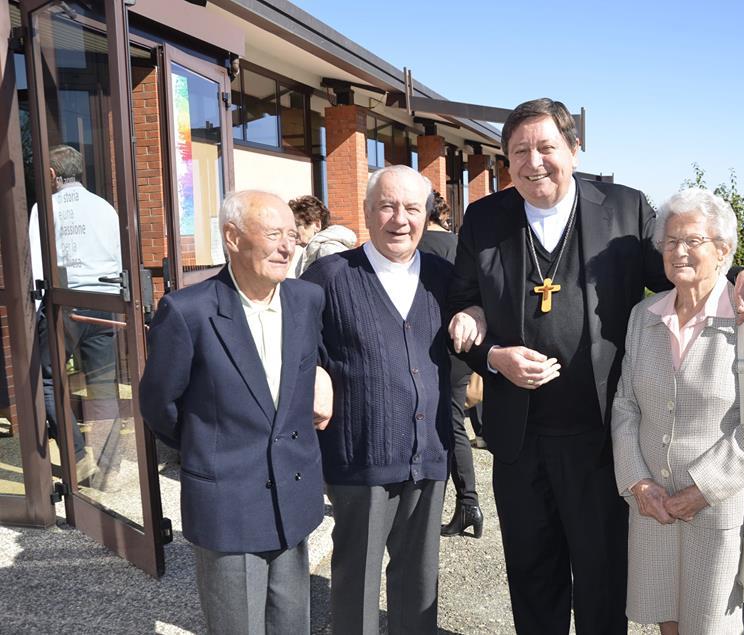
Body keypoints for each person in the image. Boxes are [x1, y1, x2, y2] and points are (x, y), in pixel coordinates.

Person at [446, 98, 744, 634]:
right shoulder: (486, 218)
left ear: (574, 149)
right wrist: (490, 356)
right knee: (532, 577)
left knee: (603, 581)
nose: (534, 163)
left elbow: (682, 265)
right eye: (519, 152)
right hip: (518, 439)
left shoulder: (625, 209)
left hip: (602, 438)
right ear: (506, 160)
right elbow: (463, 305)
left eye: (546, 147)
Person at [139, 190, 332, 634]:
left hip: (293, 496)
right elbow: (159, 405)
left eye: (291, 235)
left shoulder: (305, 300)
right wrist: (212, 449)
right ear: (232, 237)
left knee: (292, 626)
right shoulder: (188, 311)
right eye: (273, 235)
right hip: (228, 503)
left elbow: (313, 365)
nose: (288, 247)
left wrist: (323, 381)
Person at [611, 188, 744, 633]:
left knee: (709, 626)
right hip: (652, 506)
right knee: (665, 620)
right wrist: (638, 481)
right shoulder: (643, 316)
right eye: (670, 242)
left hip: (716, 509)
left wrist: (701, 489)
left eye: (692, 241)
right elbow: (625, 405)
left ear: (723, 250)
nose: (679, 252)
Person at [300, 166, 453, 634]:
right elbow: (295, 349)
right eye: (387, 206)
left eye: (411, 208)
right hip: (360, 458)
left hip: (428, 453)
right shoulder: (328, 275)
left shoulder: (446, 278)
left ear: (426, 215)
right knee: (356, 584)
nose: (399, 219)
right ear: (366, 212)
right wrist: (315, 375)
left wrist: (478, 315)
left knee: (418, 582)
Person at [28, 144, 124, 484]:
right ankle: (110, 463)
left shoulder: (45, 209)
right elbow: (119, 258)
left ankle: (80, 457)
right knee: (102, 386)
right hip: (105, 303)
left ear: (52, 174)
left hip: (64, 306)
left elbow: (37, 268)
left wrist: (37, 316)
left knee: (47, 383)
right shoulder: (105, 208)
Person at [418, 190, 483, 538]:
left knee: (442, 426)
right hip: (461, 347)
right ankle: (467, 503)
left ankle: (454, 505)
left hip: (431, 348)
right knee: (454, 424)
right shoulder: (459, 243)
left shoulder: (419, 247)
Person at [289, 194, 357, 276]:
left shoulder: (328, 250)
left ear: (317, 225)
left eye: (296, 225)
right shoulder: (313, 250)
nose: (291, 231)